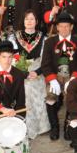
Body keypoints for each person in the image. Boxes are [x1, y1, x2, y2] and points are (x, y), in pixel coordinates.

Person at [40, 10, 77, 140]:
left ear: (71, 27)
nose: (64, 29)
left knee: (72, 96)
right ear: (57, 27)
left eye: (67, 26)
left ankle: (67, 126)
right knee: (50, 96)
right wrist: (52, 80)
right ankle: (55, 127)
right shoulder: (49, 42)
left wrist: (74, 78)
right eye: (61, 26)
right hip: (55, 76)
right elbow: (45, 64)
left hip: (72, 75)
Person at [13, 10, 50, 139]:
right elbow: (12, 58)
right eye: (26, 19)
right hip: (19, 70)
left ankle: (39, 126)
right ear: (23, 21)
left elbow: (46, 60)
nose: (29, 21)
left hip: (38, 69)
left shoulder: (43, 38)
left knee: (35, 88)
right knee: (25, 88)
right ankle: (22, 124)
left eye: (32, 19)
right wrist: (23, 73)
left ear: (36, 21)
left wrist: (37, 72)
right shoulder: (14, 37)